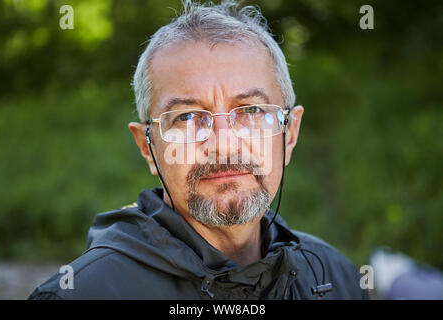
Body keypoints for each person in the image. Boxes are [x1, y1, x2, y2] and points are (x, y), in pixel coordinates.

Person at [29, 0, 368, 300]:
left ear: (289, 134)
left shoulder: (335, 278)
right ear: (148, 147)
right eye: (188, 117)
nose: (223, 143)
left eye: (250, 111)